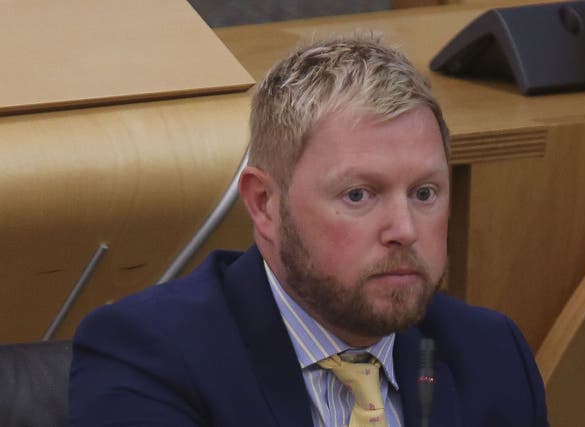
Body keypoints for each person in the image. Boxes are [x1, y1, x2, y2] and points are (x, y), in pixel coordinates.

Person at [70, 35, 549, 427]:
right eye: (359, 195)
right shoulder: (149, 358)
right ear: (265, 204)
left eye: (424, 193)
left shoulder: (491, 353)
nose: (404, 230)